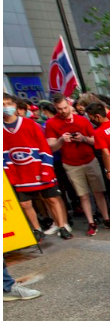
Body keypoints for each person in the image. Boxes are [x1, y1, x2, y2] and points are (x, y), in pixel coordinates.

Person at [46, 93, 110, 236]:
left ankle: (106, 218)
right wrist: (61, 140)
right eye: (59, 109)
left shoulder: (82, 120)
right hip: (70, 163)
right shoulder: (51, 123)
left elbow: (95, 140)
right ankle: (91, 222)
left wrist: (83, 138)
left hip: (89, 159)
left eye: (65, 107)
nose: (63, 111)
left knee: (99, 192)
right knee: (83, 195)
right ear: (55, 108)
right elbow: (51, 146)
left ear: (68, 104)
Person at [3, 94, 71, 241]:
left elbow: (44, 149)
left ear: (15, 105)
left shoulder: (30, 124)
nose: (6, 107)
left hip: (39, 170)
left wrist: (46, 169)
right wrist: (9, 174)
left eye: (8, 103)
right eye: (3, 104)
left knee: (52, 199)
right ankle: (36, 229)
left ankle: (62, 226)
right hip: (19, 174)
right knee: (25, 204)